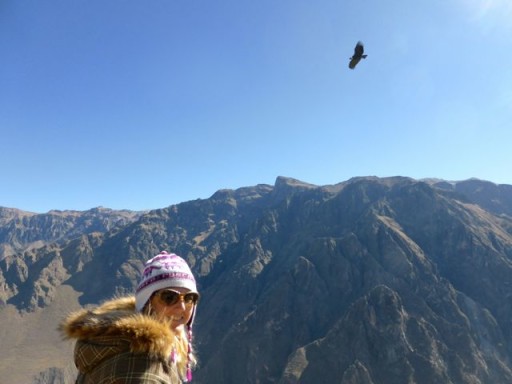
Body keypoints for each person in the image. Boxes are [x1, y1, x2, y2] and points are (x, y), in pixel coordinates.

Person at [60, 251, 200, 383]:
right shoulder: (144, 368)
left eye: (189, 298)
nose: (181, 307)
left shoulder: (118, 343)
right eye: (169, 297)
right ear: (147, 301)